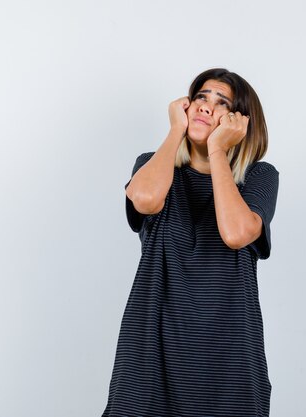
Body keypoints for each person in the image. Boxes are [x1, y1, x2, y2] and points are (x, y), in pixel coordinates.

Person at [101, 68, 279, 417]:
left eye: (221, 103)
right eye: (200, 97)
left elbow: (236, 234)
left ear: (239, 122)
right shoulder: (154, 167)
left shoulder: (259, 176)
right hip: (151, 344)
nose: (205, 107)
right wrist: (174, 132)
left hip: (228, 351)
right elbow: (147, 200)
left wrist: (216, 150)